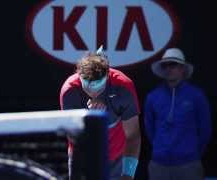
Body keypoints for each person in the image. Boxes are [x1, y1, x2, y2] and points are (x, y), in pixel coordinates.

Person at [59, 47, 141, 180]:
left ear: (107, 75)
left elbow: (132, 136)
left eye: (98, 85)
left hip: (117, 159)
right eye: (88, 85)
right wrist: (91, 122)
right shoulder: (69, 91)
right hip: (82, 158)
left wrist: (128, 174)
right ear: (79, 76)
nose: (93, 92)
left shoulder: (124, 87)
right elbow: (73, 138)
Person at [144, 48, 212, 180]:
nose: (169, 69)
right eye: (165, 65)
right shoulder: (153, 97)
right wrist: (161, 149)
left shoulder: (196, 96)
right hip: (159, 165)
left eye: (173, 64)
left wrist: (191, 153)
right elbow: (149, 128)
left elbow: (205, 129)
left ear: (182, 69)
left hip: (189, 165)